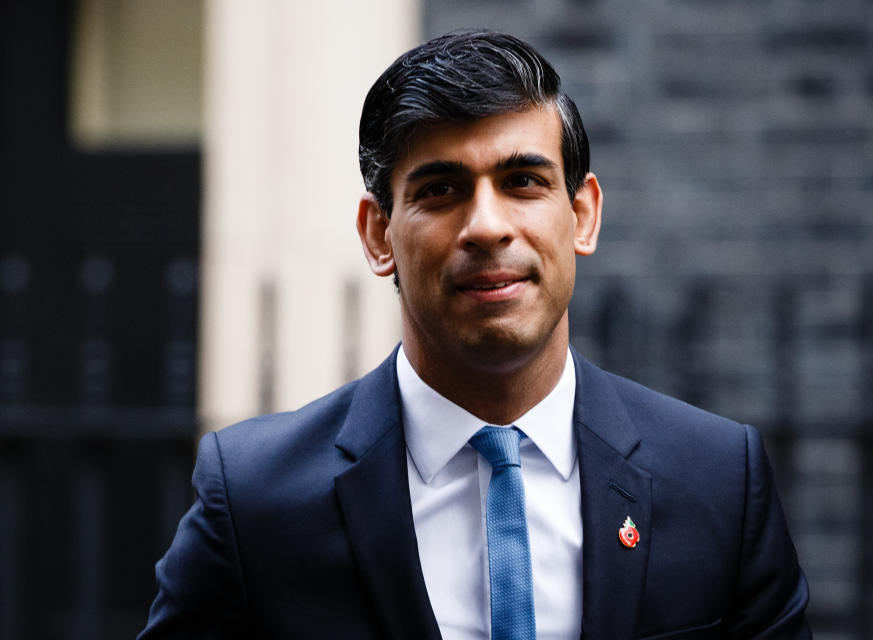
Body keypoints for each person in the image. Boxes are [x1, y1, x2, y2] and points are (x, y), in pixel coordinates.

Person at [139, 30, 811, 640]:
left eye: (522, 181)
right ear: (379, 235)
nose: (486, 225)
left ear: (582, 214)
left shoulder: (720, 481)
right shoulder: (255, 500)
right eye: (440, 190)